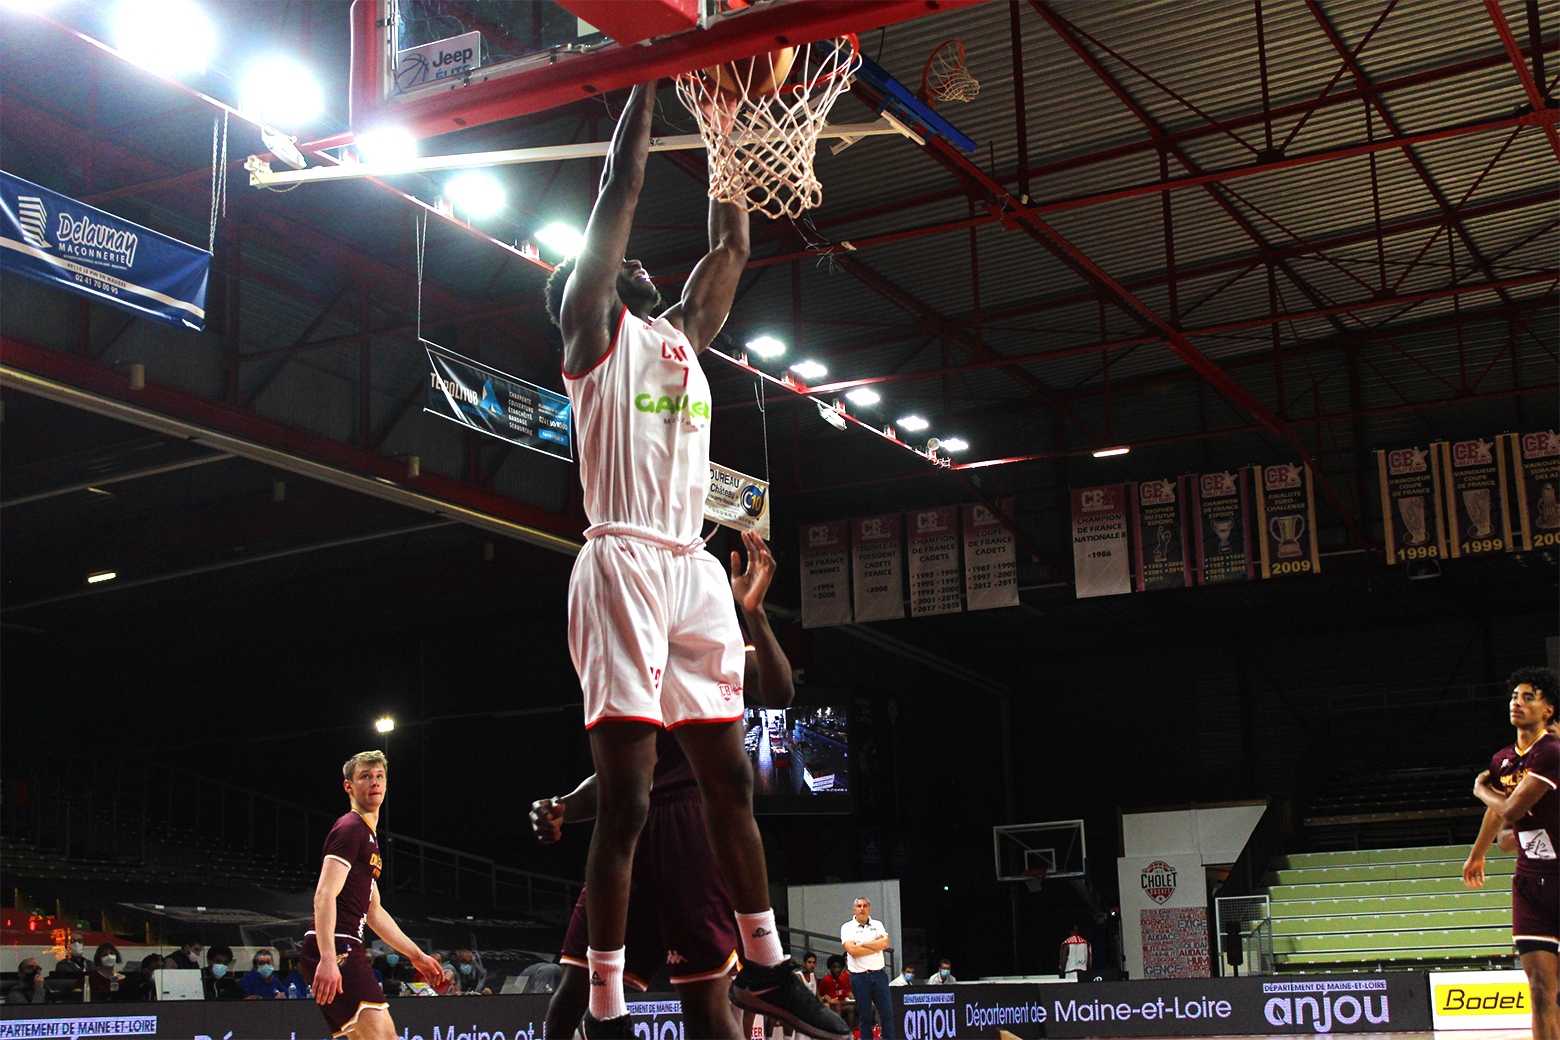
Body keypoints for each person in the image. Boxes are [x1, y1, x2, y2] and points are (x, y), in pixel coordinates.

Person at [545, 77, 844, 1040]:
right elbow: (617, 196)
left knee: (729, 779)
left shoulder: (683, 339)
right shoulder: (594, 334)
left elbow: (733, 245)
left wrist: (724, 125)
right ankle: (603, 1008)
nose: (629, 261)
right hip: (622, 558)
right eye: (613, 260)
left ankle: (769, 964)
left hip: (690, 566)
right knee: (626, 803)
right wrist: (647, 76)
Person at [532, 533, 803, 1040]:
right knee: (574, 989)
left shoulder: (701, 644)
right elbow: (618, 782)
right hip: (629, 829)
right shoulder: (626, 642)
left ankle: (766, 966)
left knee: (704, 999)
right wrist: (566, 807)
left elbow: (779, 690)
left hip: (689, 825)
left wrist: (755, 613)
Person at [302, 751, 443, 1039]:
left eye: (379, 776)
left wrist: (416, 955)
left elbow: (375, 911)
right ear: (349, 787)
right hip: (338, 945)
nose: (374, 782)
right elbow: (324, 895)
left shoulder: (368, 836)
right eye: (365, 776)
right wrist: (328, 958)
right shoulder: (350, 829)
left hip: (343, 945)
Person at [1464, 666, 1560, 1040]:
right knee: (1539, 991)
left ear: (1548, 710)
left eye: (1528, 697)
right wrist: (1478, 854)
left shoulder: (1551, 752)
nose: (1516, 703)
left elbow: (1510, 808)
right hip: (1531, 885)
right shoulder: (1503, 759)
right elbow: (1497, 813)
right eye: (1514, 697)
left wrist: (1479, 788)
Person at [841, 898, 894, 1040]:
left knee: (887, 1014)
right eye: (859, 906)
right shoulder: (847, 927)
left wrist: (863, 945)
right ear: (854, 910)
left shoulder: (877, 925)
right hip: (859, 977)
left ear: (869, 908)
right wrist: (874, 946)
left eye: (865, 906)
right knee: (865, 1016)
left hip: (879, 975)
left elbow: (885, 944)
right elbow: (852, 950)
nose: (862, 909)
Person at [817, 956, 855, 1035]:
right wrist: (856, 1002)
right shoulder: (827, 980)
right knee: (851, 1008)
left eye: (839, 967)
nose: (837, 970)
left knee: (856, 1008)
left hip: (839, 1005)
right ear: (830, 968)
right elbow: (835, 1001)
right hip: (829, 1007)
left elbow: (845, 998)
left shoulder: (840, 979)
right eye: (834, 967)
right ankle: (848, 1035)